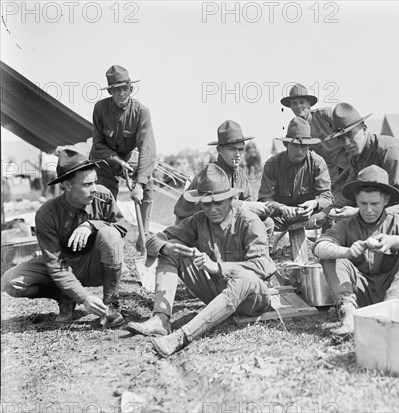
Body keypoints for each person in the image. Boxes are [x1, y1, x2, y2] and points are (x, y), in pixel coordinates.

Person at [126, 164, 276, 357]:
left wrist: (217, 267)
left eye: (218, 203)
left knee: (245, 278)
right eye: (206, 204)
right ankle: (161, 319)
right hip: (217, 293)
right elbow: (154, 239)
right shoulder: (198, 220)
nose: (212, 209)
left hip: (252, 299)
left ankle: (180, 338)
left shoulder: (249, 221)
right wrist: (166, 246)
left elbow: (262, 266)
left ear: (231, 199)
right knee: (170, 249)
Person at [1, 149, 127, 327]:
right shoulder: (46, 214)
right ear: (67, 185)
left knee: (110, 233)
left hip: (94, 265)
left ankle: (110, 305)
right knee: (10, 281)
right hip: (64, 264)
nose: (93, 189)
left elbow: (121, 227)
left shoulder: (102, 196)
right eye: (86, 184)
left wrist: (91, 225)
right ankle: (65, 295)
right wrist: (83, 297)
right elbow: (56, 264)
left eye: (95, 182)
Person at [313, 165, 399, 337]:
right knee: (331, 256)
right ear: (356, 200)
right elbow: (319, 248)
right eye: (363, 203)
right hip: (362, 296)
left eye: (375, 203)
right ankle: (349, 316)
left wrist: (395, 241)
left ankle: (390, 308)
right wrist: (346, 252)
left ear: (386, 200)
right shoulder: (346, 225)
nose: (368, 210)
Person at [315, 102, 399, 226]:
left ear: (364, 129)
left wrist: (358, 211)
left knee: (386, 211)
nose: (346, 143)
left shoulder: (388, 149)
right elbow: (350, 195)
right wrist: (325, 213)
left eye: (350, 135)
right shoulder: (355, 156)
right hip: (387, 199)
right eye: (341, 138)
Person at [89, 64, 156, 248]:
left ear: (131, 89)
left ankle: (144, 239)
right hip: (103, 158)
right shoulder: (100, 109)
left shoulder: (142, 112)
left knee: (148, 184)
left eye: (124, 89)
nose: (121, 94)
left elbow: (147, 149)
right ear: (110, 91)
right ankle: (106, 238)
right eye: (116, 90)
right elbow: (98, 143)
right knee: (102, 195)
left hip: (128, 157)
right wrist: (116, 160)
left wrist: (140, 184)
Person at [173, 120, 272, 225]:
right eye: (232, 149)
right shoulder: (210, 172)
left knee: (267, 223)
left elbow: (251, 201)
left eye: (241, 149)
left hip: (219, 220)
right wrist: (245, 206)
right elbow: (211, 204)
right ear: (219, 150)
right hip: (193, 223)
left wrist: (266, 208)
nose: (237, 154)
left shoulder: (240, 173)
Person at [259, 117, 333, 231]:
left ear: (309, 146)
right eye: (295, 145)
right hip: (281, 218)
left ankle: (325, 246)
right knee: (260, 222)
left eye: (303, 146)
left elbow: (327, 197)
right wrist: (282, 208)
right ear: (286, 144)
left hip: (309, 218)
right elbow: (264, 199)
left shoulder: (317, 163)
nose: (299, 151)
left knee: (329, 216)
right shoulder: (272, 164)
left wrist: (314, 203)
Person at [281, 83, 349, 189]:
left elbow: (349, 130)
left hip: (349, 165)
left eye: (301, 102)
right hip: (330, 175)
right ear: (291, 107)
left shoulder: (325, 114)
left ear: (309, 104)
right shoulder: (294, 127)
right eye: (294, 103)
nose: (298, 106)